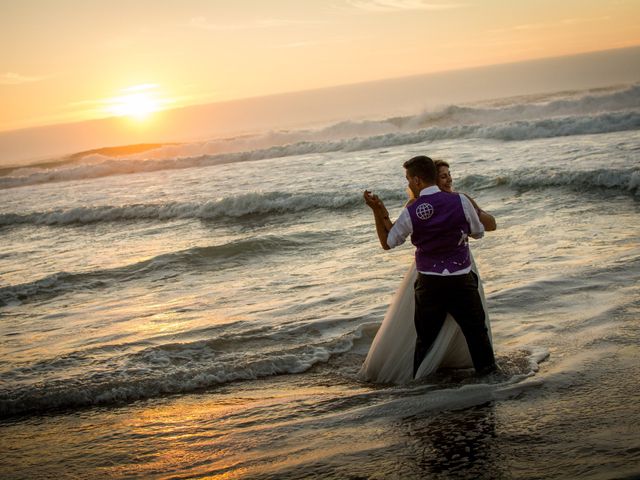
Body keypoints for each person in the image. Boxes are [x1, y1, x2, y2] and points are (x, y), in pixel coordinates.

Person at [360, 155, 497, 383]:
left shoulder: (412, 211)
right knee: (477, 336)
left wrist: (377, 210)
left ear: (416, 180)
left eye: (407, 179)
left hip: (429, 283)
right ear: (434, 176)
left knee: (426, 340)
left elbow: (389, 242)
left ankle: (420, 387)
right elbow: (479, 232)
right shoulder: (461, 201)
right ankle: (492, 382)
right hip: (461, 279)